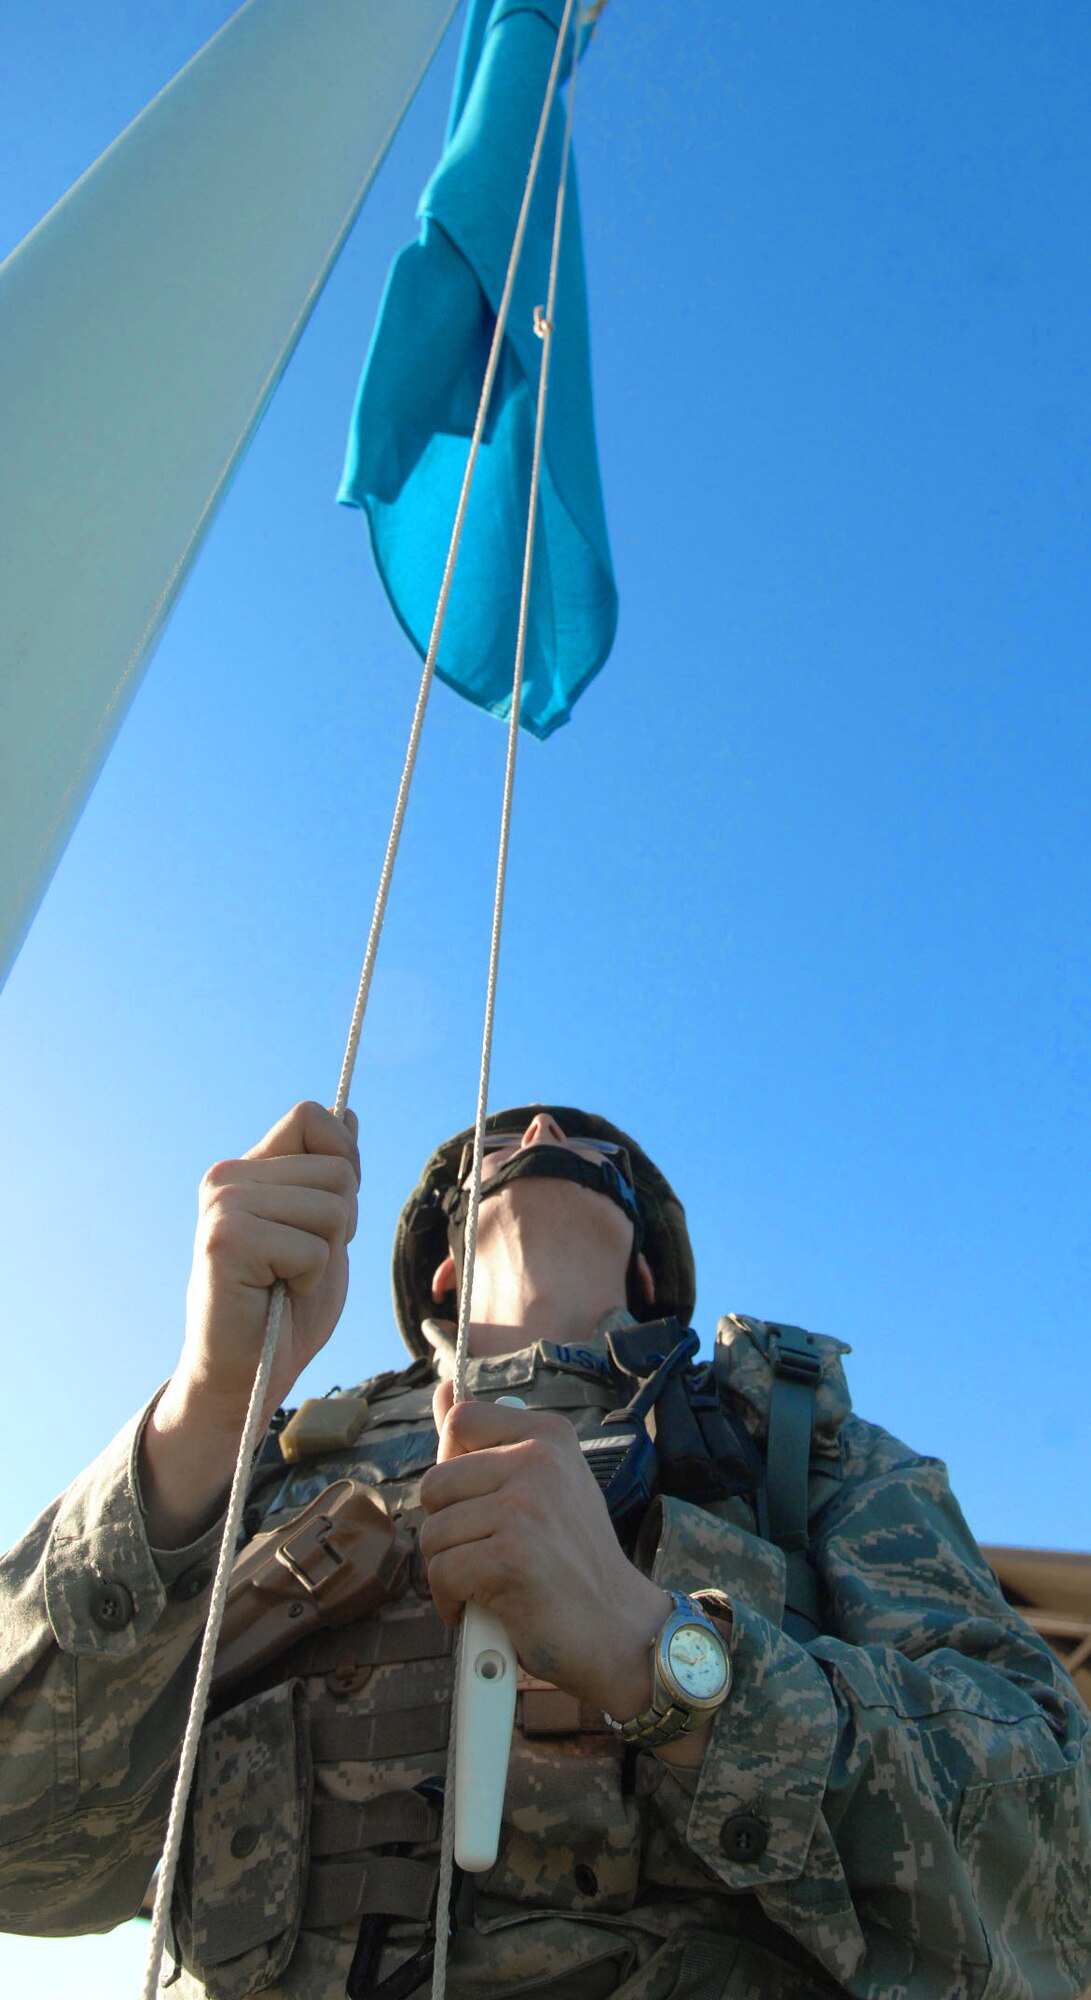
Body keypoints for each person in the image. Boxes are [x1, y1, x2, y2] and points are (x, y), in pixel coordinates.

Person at [1, 1100, 1089, 2000]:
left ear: (649, 1269)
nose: (530, 1140)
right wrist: (205, 1413)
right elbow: (25, 1852)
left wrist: (658, 1656)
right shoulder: (271, 1457)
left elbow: (1055, 1860)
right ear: (437, 1271)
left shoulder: (795, 1443)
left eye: (581, 1143)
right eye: (495, 1142)